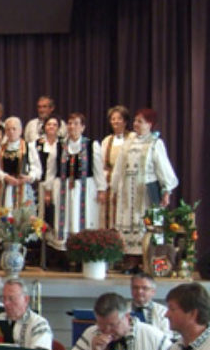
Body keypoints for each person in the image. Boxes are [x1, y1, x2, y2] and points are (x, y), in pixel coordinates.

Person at [111, 108, 178, 266]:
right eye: (135, 121)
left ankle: (149, 261)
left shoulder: (155, 143)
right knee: (128, 222)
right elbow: (119, 168)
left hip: (147, 190)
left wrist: (167, 190)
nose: (136, 124)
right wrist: (114, 188)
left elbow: (163, 168)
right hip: (128, 190)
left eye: (140, 121)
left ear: (150, 124)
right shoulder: (128, 142)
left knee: (146, 224)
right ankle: (130, 260)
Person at [43, 112, 107, 251]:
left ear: (82, 127)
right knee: (65, 219)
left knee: (82, 219)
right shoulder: (59, 146)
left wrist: (101, 188)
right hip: (63, 188)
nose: (72, 127)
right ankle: (65, 252)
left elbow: (98, 169)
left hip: (85, 188)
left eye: (76, 123)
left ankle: (83, 250)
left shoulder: (91, 145)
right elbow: (51, 169)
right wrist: (48, 189)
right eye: (70, 123)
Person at [0, 116, 42, 210]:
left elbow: (37, 168)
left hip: (23, 187)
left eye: (14, 129)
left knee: (22, 216)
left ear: (20, 131)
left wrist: (29, 177)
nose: (11, 132)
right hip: (4, 187)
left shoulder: (29, 148)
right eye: (8, 129)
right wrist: (5, 177)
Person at [100, 105, 134, 229]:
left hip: (127, 181)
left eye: (119, 118)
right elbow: (101, 164)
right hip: (110, 182)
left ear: (125, 121)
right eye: (113, 119)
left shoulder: (132, 138)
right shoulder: (107, 141)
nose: (115, 121)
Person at [0, 278, 52, 349]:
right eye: (4, 298)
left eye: (11, 298)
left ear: (26, 299)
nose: (6, 303)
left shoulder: (39, 325)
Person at [35, 116, 61, 230]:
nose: (51, 127)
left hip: (57, 182)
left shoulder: (62, 143)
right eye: (49, 124)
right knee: (42, 210)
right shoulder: (38, 144)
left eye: (54, 125)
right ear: (44, 127)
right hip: (41, 181)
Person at [128, 273, 173, 337]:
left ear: (153, 292)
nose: (139, 291)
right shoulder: (122, 308)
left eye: (144, 288)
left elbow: (167, 336)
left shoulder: (162, 311)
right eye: (135, 288)